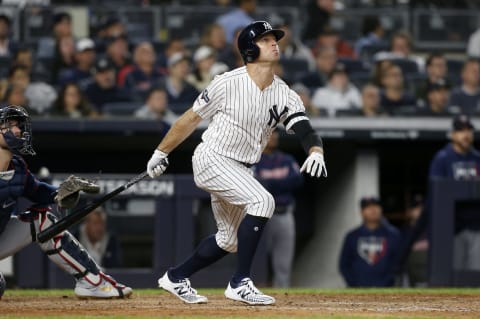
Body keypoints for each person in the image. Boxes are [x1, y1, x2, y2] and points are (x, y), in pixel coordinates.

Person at [146, 21, 327, 305]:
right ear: (249, 49)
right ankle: (240, 282)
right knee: (263, 201)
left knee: (228, 240)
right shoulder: (226, 82)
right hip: (213, 159)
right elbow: (190, 119)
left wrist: (316, 150)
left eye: (274, 39)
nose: (273, 43)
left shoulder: (284, 93)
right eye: (265, 39)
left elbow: (304, 128)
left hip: (241, 168)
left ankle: (176, 277)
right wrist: (161, 152)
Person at [0, 105, 132, 298]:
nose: (18, 130)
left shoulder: (18, 167)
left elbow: (37, 192)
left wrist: (60, 192)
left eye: (19, 126)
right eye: (10, 125)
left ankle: (92, 281)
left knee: (42, 220)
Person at [429, 114, 480, 270]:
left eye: (468, 130)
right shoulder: (443, 158)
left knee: (476, 274)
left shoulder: (477, 158)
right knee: (454, 273)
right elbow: (436, 193)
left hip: (476, 225)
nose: (465, 135)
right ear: (452, 134)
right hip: (452, 226)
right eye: (460, 131)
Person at [253, 130, 303, 288]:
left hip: (284, 213)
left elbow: (297, 180)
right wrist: (281, 183)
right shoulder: (253, 160)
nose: (274, 137)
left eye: (276, 134)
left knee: (283, 260)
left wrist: (270, 183)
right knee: (257, 258)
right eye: (270, 133)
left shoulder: (286, 159)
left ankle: (282, 295)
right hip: (261, 215)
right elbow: (256, 185)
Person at [339, 197, 401, 287]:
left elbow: (398, 262)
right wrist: (354, 284)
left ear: (381, 209)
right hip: (358, 290)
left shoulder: (393, 235)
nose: (373, 210)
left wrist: (387, 282)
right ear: (361, 212)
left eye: (376, 206)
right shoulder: (352, 236)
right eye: (368, 207)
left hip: (386, 289)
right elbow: (344, 264)